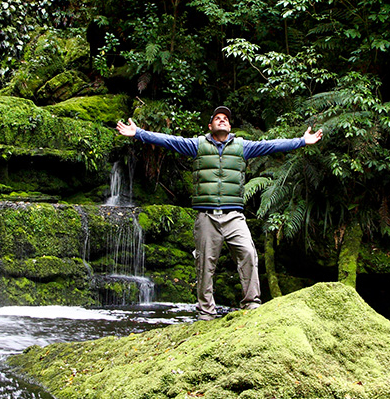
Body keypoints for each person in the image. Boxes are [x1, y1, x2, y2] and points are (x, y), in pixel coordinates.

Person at [116, 106, 322, 319]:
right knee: (205, 263)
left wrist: (301, 141)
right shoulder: (197, 145)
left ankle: (251, 304)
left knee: (248, 253)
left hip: (234, 215)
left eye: (225, 118)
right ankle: (206, 311)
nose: (222, 120)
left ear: (230, 126)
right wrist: (139, 133)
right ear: (210, 126)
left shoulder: (243, 147)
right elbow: (169, 140)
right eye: (217, 118)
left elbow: (270, 146)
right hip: (206, 216)